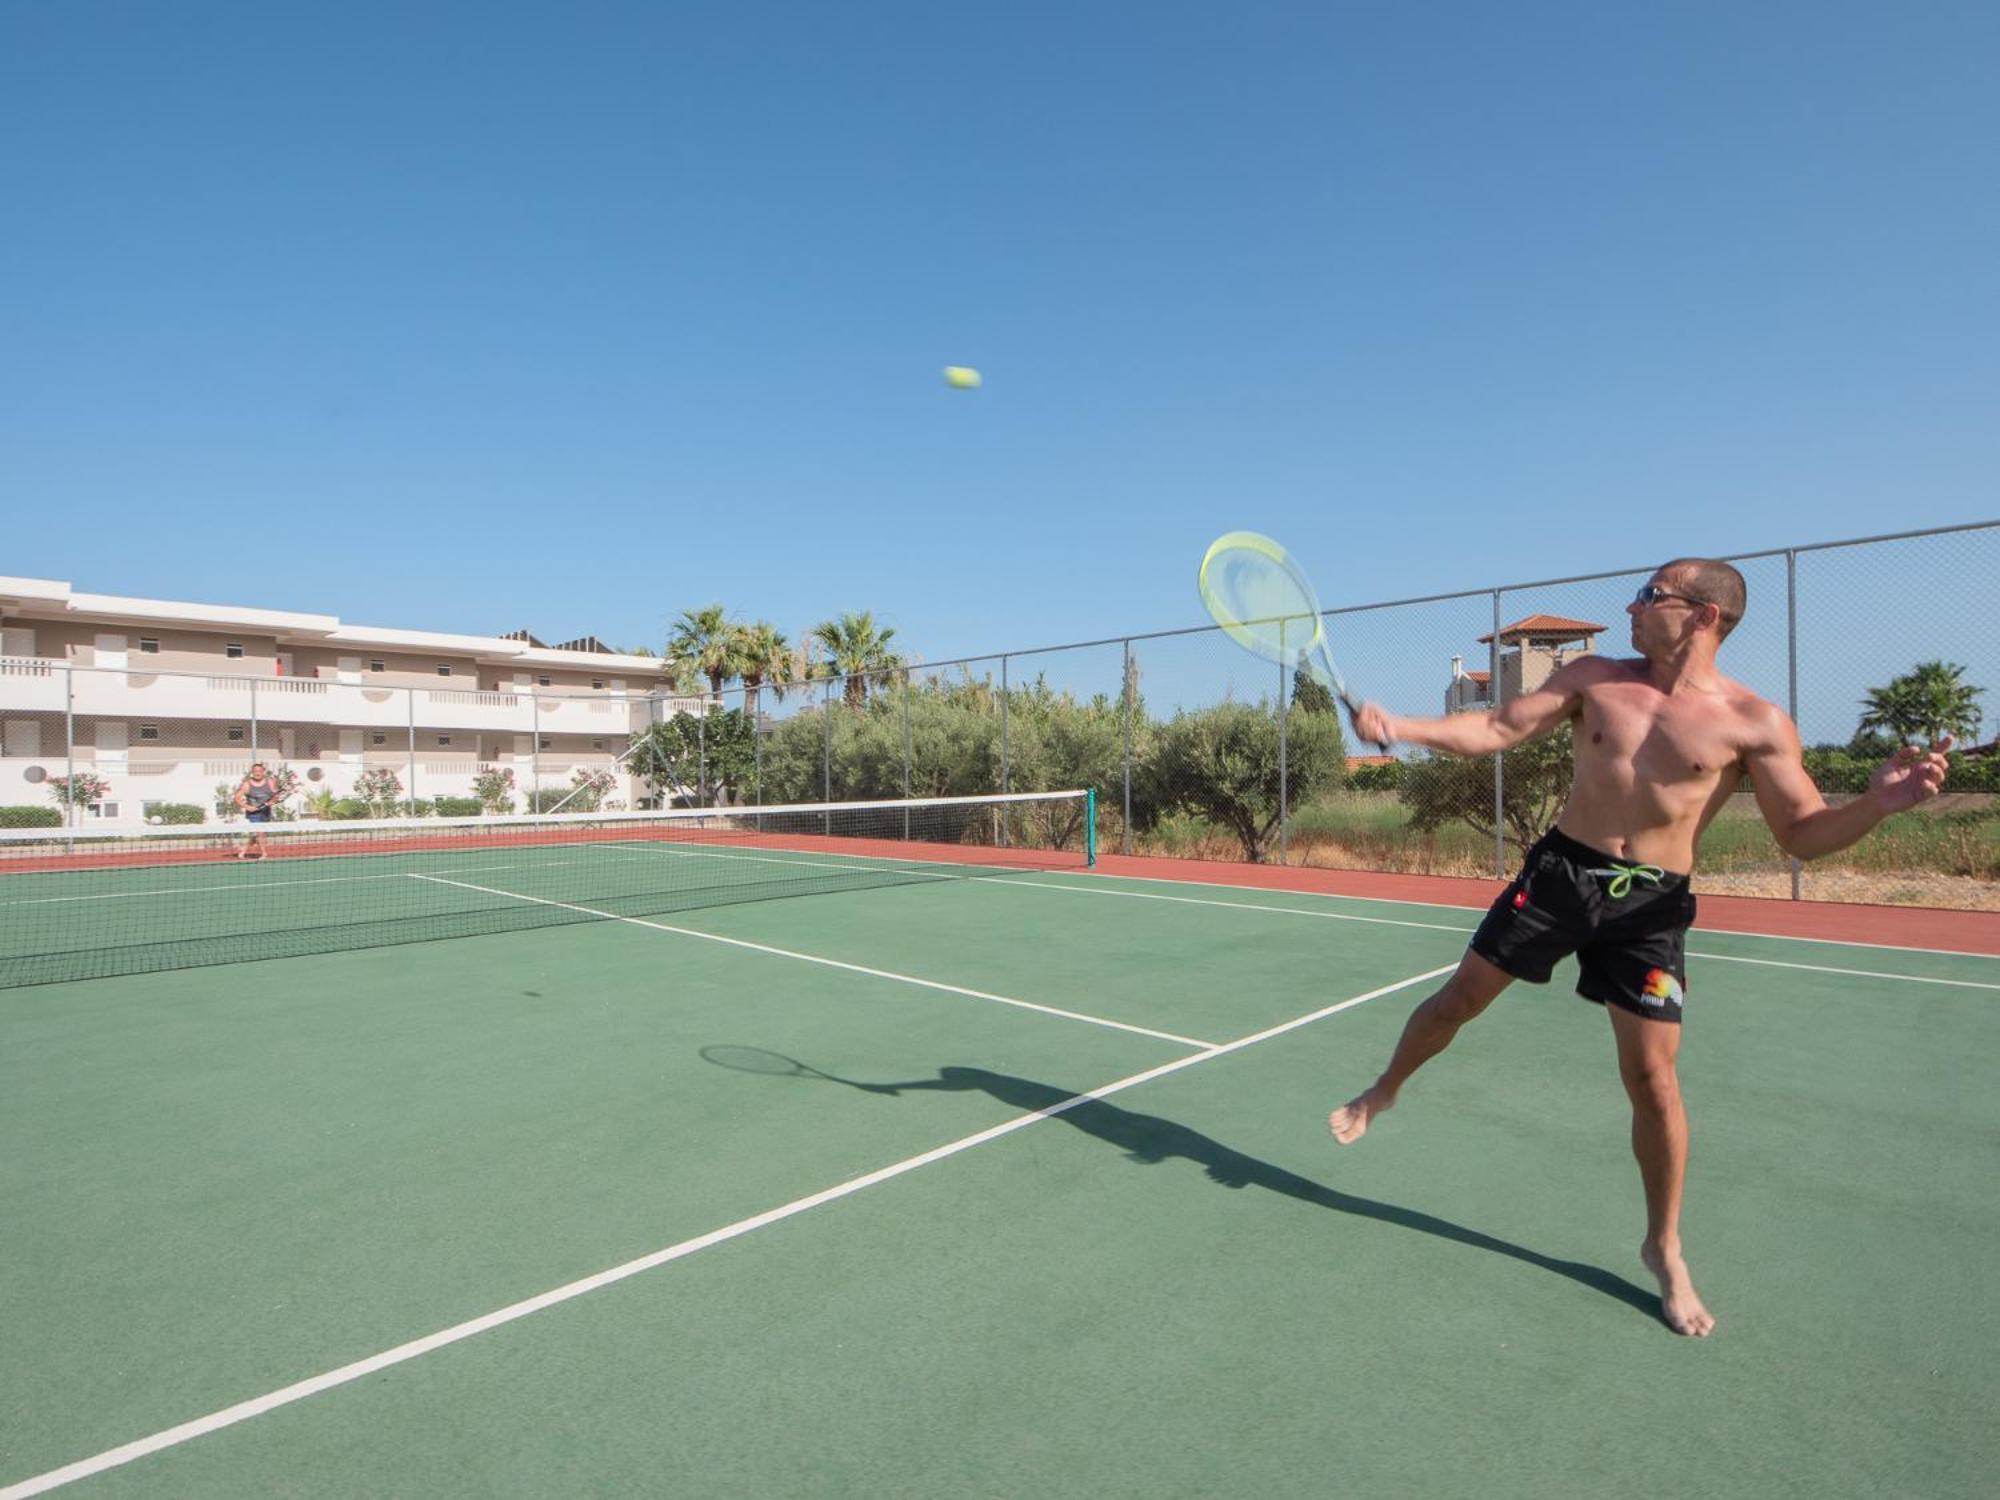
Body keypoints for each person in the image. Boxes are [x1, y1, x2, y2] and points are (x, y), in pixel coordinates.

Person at [1327, 558, 1951, 1337]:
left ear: (1703, 616)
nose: (1631, 605)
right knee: (1458, 1001)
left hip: (1651, 904)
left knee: (1653, 1080)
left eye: (1650, 596)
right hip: (1561, 873)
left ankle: (1664, 1245)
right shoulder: (1593, 676)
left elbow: (1803, 832)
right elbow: (1495, 727)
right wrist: (1403, 727)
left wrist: (1880, 804)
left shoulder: (1755, 723)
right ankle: (1385, 1087)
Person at [233, 763, 280, 860]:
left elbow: (276, 795)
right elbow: (237, 797)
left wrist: (271, 802)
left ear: (263, 772)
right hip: (253, 813)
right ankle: (264, 853)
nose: (257, 773)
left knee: (257, 833)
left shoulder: (270, 782)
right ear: (252, 772)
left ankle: (243, 851)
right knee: (260, 832)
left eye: (259, 771)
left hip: (266, 811)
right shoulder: (247, 784)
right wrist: (247, 806)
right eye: (255, 771)